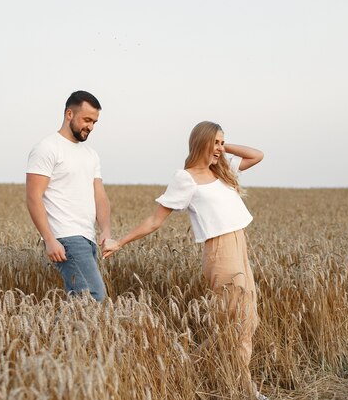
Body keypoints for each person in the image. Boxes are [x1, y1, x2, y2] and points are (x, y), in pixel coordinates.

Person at [102, 121, 268, 399]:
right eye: (214, 142)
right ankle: (246, 390)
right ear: (200, 141)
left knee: (245, 320)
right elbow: (155, 220)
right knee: (238, 322)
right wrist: (120, 242)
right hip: (220, 253)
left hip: (240, 247)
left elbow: (257, 155)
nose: (219, 148)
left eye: (222, 142)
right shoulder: (186, 179)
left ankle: (188, 368)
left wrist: (222, 147)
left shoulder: (223, 172)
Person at [26, 90, 111, 302]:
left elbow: (99, 196)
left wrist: (106, 230)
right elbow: (33, 197)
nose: (90, 127)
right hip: (66, 237)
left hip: (87, 237)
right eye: (87, 120)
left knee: (82, 301)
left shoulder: (90, 154)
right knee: (93, 297)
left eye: (94, 122)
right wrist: (49, 239)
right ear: (69, 114)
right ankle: (55, 335)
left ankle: (55, 335)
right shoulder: (47, 148)